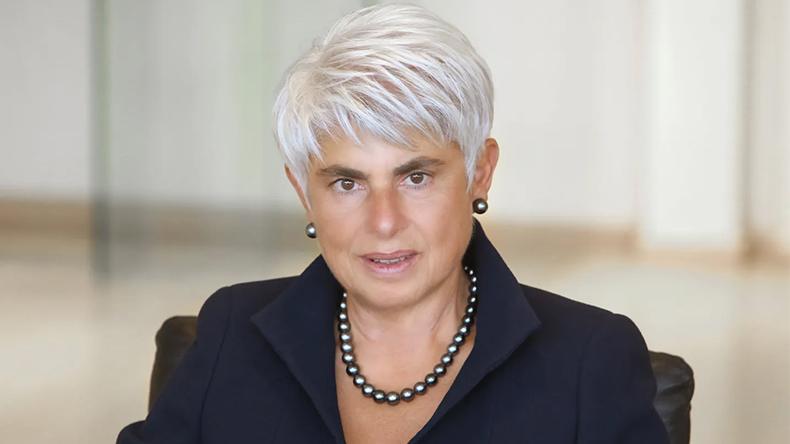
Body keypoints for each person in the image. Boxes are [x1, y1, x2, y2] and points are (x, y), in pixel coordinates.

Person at [117, 3, 668, 443]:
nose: (384, 222)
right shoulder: (231, 332)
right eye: (347, 183)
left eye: (416, 177)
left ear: (480, 173)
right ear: (304, 194)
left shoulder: (590, 359)